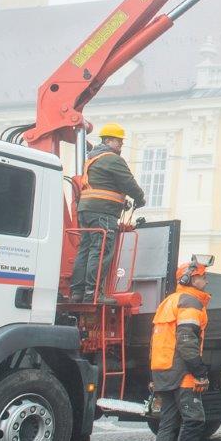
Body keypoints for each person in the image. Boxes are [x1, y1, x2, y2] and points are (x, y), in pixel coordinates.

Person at [148, 257, 213, 441]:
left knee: (168, 424)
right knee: (194, 420)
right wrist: (200, 372)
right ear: (188, 278)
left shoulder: (169, 301)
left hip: (163, 371)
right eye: (202, 276)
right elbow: (186, 342)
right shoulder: (190, 302)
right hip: (182, 372)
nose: (206, 279)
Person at [70, 122, 145, 304]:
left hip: (87, 211)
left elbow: (106, 185)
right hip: (103, 213)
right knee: (101, 250)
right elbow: (128, 183)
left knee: (85, 250)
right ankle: (93, 293)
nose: (121, 145)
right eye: (119, 141)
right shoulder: (112, 159)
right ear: (109, 140)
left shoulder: (93, 158)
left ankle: (78, 292)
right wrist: (140, 198)